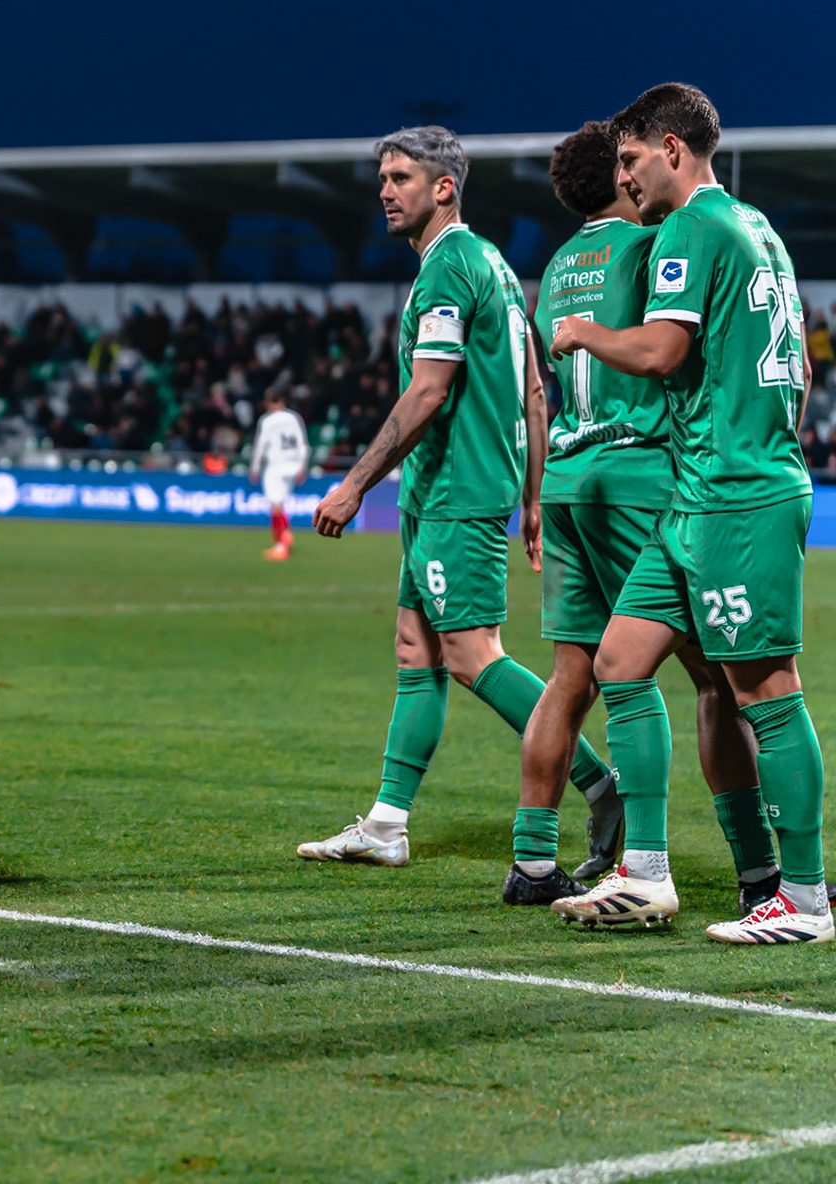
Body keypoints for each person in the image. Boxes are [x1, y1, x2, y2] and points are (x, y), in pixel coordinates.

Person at [547, 84, 828, 944]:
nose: (623, 178)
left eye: (631, 159)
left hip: (736, 496)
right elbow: (803, 377)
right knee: (622, 661)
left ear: (673, 149)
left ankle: (808, 900)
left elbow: (662, 350)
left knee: (764, 689)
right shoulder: (758, 229)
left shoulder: (691, 228)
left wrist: (585, 333)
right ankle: (647, 878)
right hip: (701, 490)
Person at [298, 126, 615, 867]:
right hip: (448, 491)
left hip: (456, 492)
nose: (386, 190)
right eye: (383, 176)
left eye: (402, 177)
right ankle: (384, 827)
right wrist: (532, 497)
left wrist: (351, 484)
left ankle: (604, 786)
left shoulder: (447, 270)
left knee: (473, 656)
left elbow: (430, 390)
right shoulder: (493, 265)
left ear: (445, 187)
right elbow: (536, 389)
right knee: (417, 651)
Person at [507, 121, 770, 909]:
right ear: (623, 181)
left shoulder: (555, 269)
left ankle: (529, 861)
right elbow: (668, 352)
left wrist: (534, 493)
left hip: (567, 478)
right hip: (639, 473)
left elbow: (542, 388)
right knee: (717, 677)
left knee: (571, 674)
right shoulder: (652, 247)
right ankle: (757, 867)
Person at [246, 389, 307, 561]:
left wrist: (255, 468)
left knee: (275, 505)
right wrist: (302, 466)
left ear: (268, 403)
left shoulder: (267, 420)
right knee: (280, 503)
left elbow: (260, 445)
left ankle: (282, 542)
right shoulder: (294, 418)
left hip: (275, 465)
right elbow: (302, 443)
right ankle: (284, 538)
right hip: (292, 465)